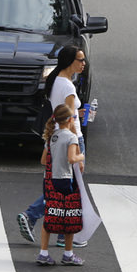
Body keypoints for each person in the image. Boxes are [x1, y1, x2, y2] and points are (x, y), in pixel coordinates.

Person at [16, 45, 87, 245]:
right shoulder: (69, 87)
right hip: (69, 137)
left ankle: (61, 233)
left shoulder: (56, 81)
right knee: (67, 187)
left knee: (62, 184)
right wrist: (77, 149)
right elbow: (70, 120)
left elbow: (62, 111)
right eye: (80, 60)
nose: (83, 64)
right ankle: (37, 218)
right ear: (69, 62)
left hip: (56, 136)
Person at [35, 104, 85, 266]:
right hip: (65, 179)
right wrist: (81, 157)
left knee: (51, 212)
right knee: (70, 213)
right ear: (71, 120)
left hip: (49, 180)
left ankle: (43, 253)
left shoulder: (51, 137)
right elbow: (71, 158)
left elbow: (43, 160)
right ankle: (68, 254)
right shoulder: (71, 137)